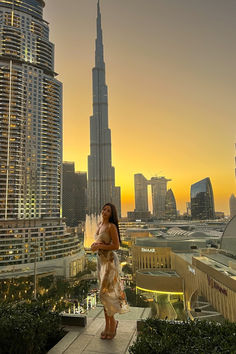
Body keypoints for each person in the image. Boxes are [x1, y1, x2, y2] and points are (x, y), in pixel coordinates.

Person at [91, 203, 129, 340]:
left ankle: (112, 324)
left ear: (112, 214)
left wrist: (100, 245)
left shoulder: (111, 226)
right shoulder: (100, 225)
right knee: (103, 295)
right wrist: (95, 245)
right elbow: (99, 242)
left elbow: (116, 245)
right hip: (101, 263)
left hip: (109, 263)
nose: (105, 212)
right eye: (104, 209)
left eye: (108, 210)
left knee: (105, 294)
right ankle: (107, 324)